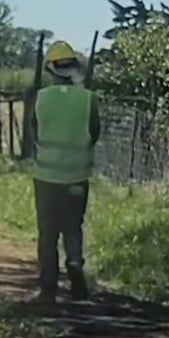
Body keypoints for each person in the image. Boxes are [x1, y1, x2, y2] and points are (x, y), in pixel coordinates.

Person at [30, 40, 100, 303]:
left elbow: (34, 134)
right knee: (73, 227)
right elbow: (94, 133)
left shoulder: (41, 99)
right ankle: (74, 263)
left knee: (47, 232)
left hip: (46, 178)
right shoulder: (88, 99)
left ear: (51, 70)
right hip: (77, 177)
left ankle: (48, 287)